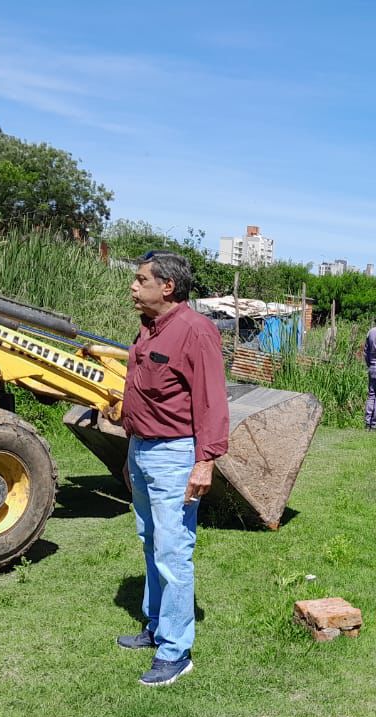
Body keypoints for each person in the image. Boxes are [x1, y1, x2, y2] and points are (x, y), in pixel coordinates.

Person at [116, 251, 230, 687]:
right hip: (142, 450)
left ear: (167, 286)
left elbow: (211, 399)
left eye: (141, 280)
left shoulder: (195, 330)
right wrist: (130, 454)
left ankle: (176, 652)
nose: (133, 286)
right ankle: (156, 624)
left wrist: (205, 461)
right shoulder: (148, 328)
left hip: (175, 455)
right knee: (150, 541)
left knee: (172, 550)